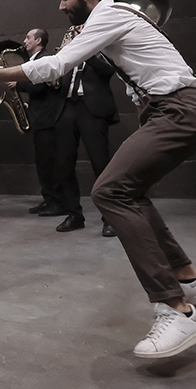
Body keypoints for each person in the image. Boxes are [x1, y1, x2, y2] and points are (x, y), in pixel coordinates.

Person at [0, 0, 196, 359]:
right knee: (129, 192)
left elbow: (57, 64)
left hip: (179, 109)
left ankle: (176, 309)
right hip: (178, 108)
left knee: (110, 192)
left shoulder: (109, 14)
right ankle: (190, 278)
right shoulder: (124, 15)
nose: (62, 6)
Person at [49, 27, 120, 236]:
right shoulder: (69, 52)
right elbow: (57, 76)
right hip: (67, 107)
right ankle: (74, 215)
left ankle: (110, 218)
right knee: (63, 163)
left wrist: (84, 49)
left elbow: (108, 71)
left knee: (101, 163)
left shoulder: (101, 47)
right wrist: (63, 55)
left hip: (92, 109)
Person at [14, 28, 63, 216]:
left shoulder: (45, 59)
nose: (25, 41)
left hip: (47, 119)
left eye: (28, 37)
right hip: (39, 117)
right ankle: (49, 198)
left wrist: (18, 83)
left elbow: (40, 85)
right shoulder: (34, 60)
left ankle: (57, 202)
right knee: (43, 162)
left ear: (38, 40)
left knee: (49, 162)